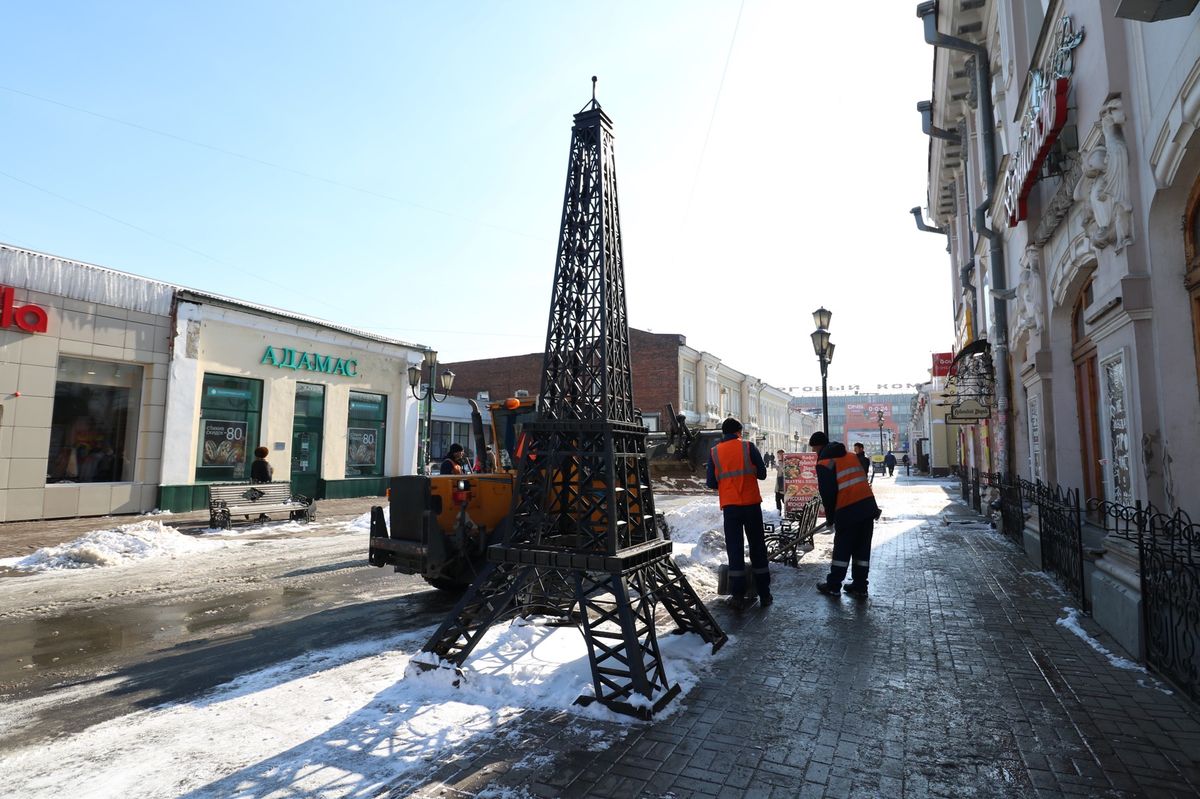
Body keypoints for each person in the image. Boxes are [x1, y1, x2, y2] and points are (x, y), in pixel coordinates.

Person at [706, 417, 771, 610]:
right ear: (738, 432)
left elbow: (711, 483)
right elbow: (762, 474)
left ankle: (737, 595)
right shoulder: (748, 447)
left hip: (730, 507)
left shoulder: (714, 452)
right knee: (758, 547)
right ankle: (765, 594)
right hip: (751, 505)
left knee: (735, 550)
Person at [810, 431, 880, 598]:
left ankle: (834, 586)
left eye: (814, 448)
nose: (814, 452)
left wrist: (830, 517)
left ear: (819, 446)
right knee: (862, 550)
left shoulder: (825, 462)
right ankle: (860, 586)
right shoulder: (850, 456)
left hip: (848, 509)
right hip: (867, 508)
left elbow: (827, 493)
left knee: (842, 549)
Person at [774, 449, 787, 514]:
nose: (778, 456)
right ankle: (778, 513)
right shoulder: (780, 462)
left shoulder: (785, 462)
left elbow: (784, 471)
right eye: (778, 455)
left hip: (783, 486)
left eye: (779, 455)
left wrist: (780, 463)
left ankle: (786, 513)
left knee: (784, 501)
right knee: (777, 500)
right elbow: (779, 471)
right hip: (778, 486)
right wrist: (776, 466)